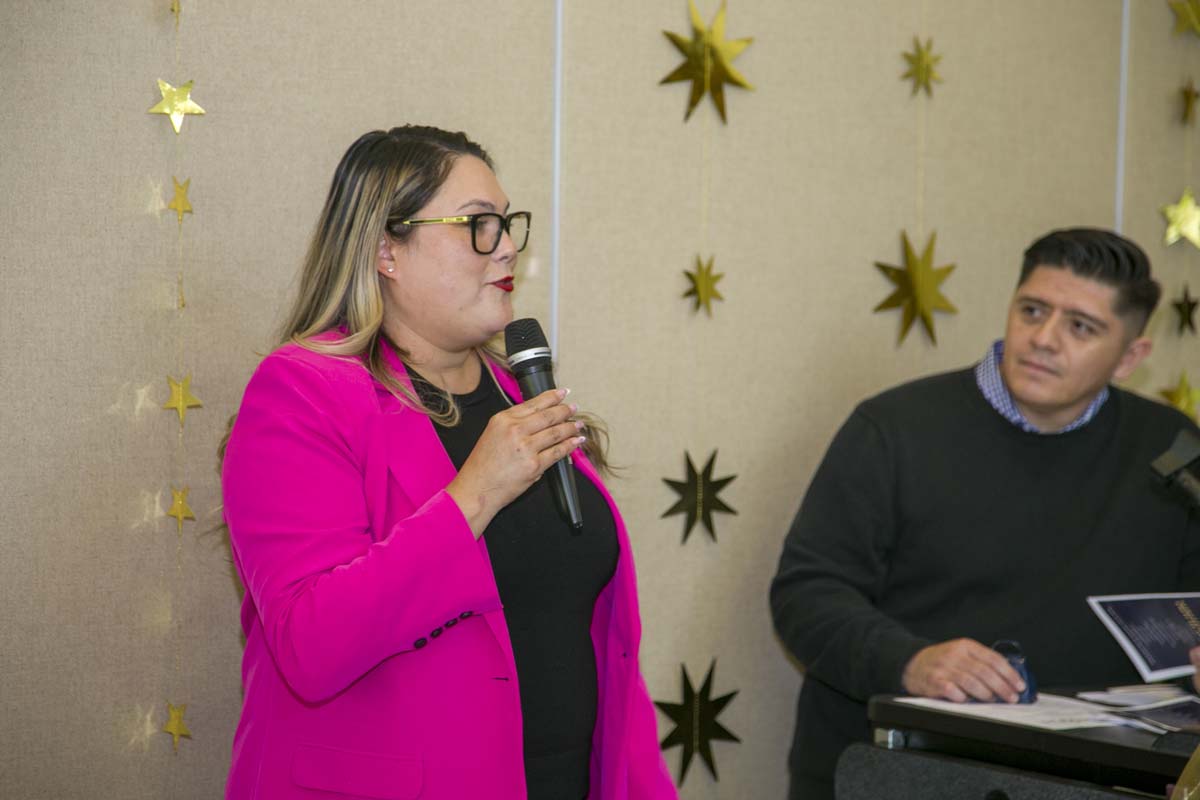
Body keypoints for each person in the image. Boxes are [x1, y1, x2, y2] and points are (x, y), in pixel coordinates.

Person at [221, 125, 676, 800]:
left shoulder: (515, 391)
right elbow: (310, 645)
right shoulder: (302, 394)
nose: (509, 246)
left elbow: (594, 642)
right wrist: (474, 496)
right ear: (385, 251)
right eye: (477, 225)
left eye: (507, 223)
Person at [770, 228, 1200, 800]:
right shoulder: (894, 429)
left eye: (1081, 327)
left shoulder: (1173, 448)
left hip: (1100, 779)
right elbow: (805, 594)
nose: (1044, 339)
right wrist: (910, 661)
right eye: (1032, 310)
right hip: (899, 771)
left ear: (1131, 357)